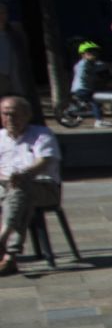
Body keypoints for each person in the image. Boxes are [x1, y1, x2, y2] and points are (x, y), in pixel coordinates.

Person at [0, 96, 59, 275]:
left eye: (15, 114)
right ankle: (10, 255)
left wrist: (24, 174)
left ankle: (3, 241)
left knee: (20, 190)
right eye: (6, 114)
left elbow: (44, 161)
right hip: (5, 188)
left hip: (43, 187)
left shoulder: (42, 134)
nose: (10, 119)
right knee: (18, 198)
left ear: (27, 115)